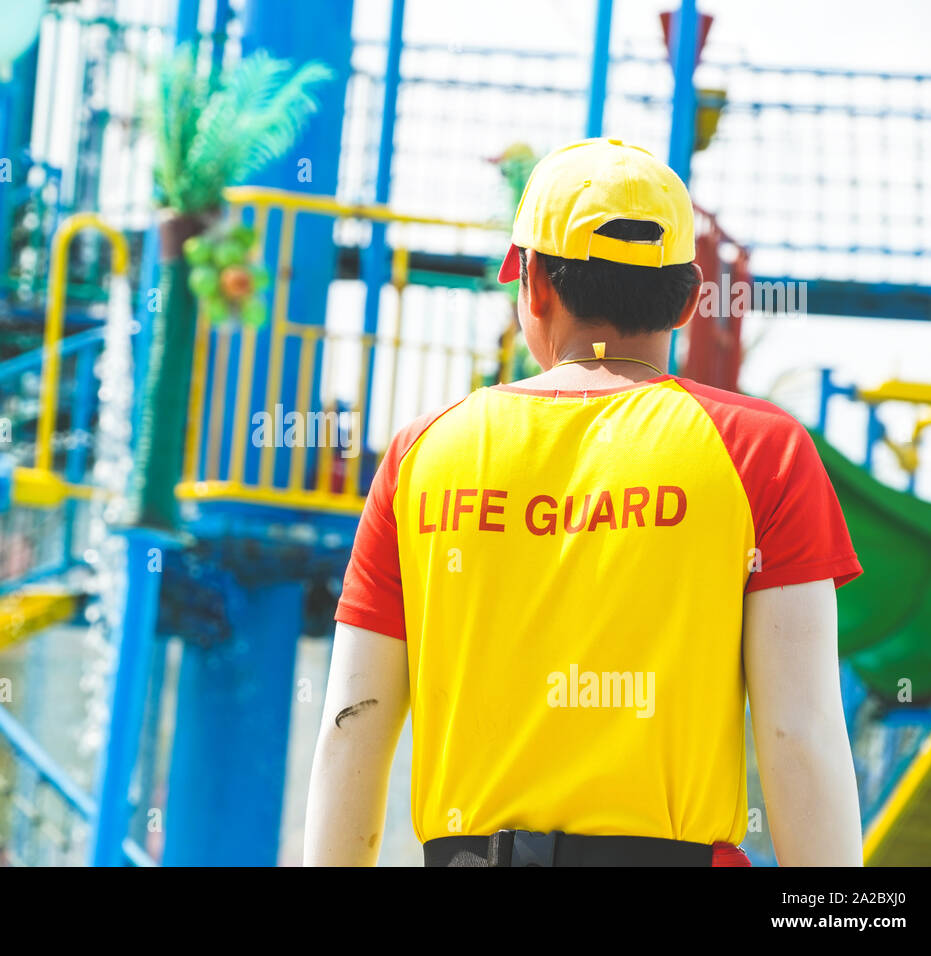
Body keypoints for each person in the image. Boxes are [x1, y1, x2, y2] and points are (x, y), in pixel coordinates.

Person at [304, 138, 864, 867]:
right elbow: (800, 732)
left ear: (533, 286)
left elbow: (355, 723)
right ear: (690, 298)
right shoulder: (763, 452)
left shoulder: (421, 456)